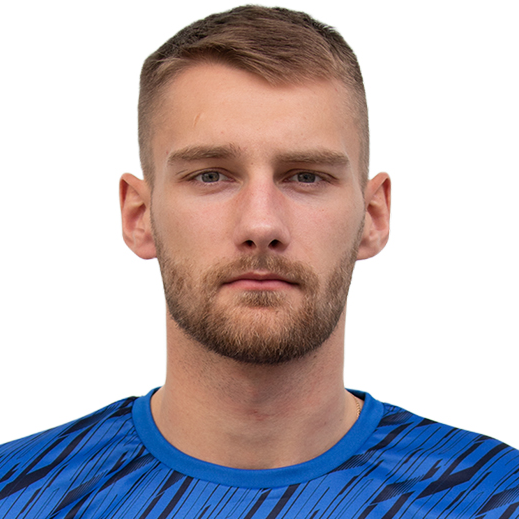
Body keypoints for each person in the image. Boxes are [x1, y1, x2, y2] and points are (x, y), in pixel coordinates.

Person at [0, 5, 517, 518]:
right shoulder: (20, 497)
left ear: (373, 216)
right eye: (210, 175)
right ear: (140, 216)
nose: (261, 225)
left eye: (306, 176)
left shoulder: (492, 499)